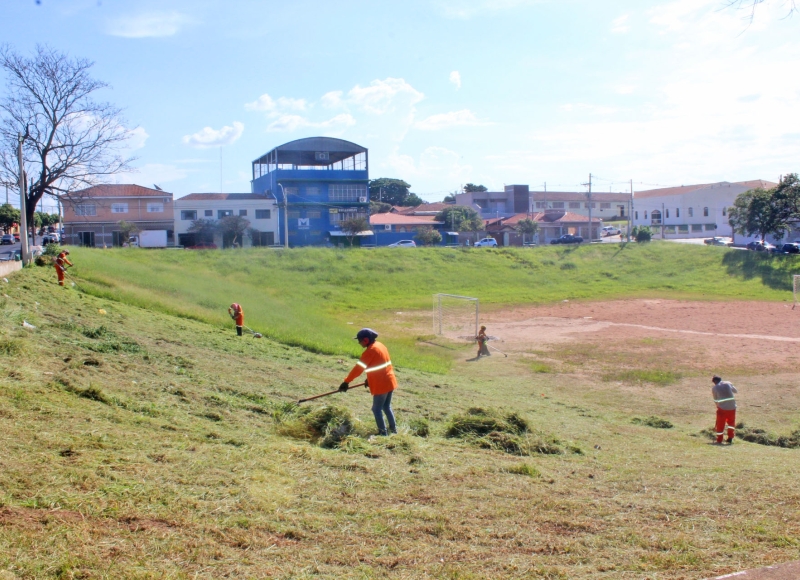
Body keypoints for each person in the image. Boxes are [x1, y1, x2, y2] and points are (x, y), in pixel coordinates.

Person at [340, 328, 397, 436]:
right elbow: (379, 364)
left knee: (376, 409)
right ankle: (394, 430)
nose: (359, 343)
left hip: (382, 384)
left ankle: (383, 433)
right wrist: (369, 379)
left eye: (360, 340)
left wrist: (346, 382)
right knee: (386, 407)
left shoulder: (370, 351)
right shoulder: (380, 345)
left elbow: (358, 369)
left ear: (366, 340)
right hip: (389, 380)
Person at [712, 375, 738, 445]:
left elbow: (715, 399)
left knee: (720, 424)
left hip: (722, 408)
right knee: (731, 423)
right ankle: (730, 437)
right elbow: (735, 391)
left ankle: (719, 439)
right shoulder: (728, 383)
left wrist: (718, 406)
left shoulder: (715, 388)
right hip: (732, 407)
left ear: (715, 381)